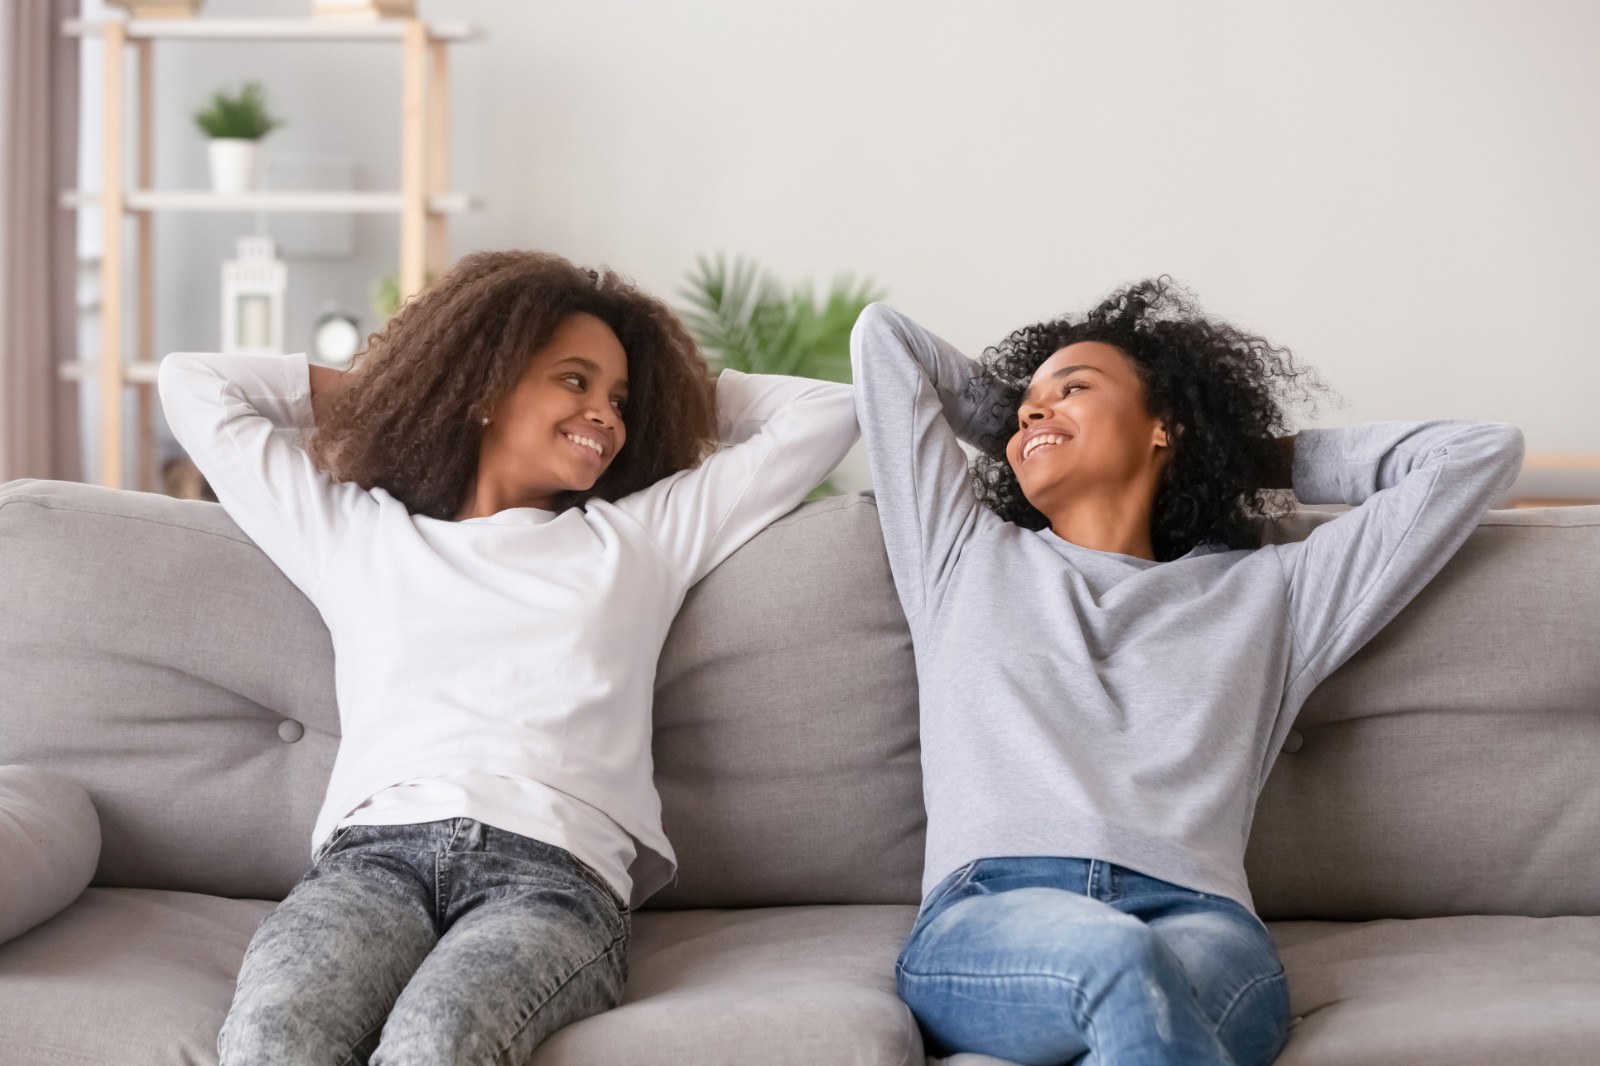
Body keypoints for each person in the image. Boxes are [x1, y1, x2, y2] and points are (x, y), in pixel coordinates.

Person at [158, 250, 858, 1065]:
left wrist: (667, 397)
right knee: (271, 1039)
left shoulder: (641, 539)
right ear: (488, 387)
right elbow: (194, 385)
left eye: (619, 399)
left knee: (436, 1045)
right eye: (574, 380)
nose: (607, 414)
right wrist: (427, 381)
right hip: (371, 864)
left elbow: (830, 414)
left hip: (554, 878)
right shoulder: (357, 534)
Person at [848, 276, 1524, 1066]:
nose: (1035, 408)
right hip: (993, 911)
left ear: (1163, 428)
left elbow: (1477, 453)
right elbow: (883, 340)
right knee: (1118, 961)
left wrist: (1241, 453)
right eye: (1028, 401)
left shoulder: (1275, 590)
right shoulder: (959, 556)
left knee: (1146, 977)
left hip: (1202, 922)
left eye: (1075, 387)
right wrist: (1036, 421)